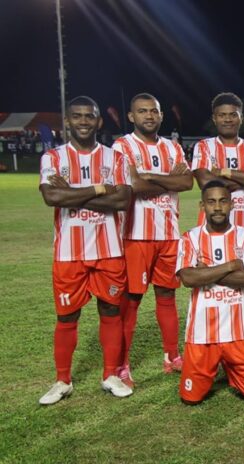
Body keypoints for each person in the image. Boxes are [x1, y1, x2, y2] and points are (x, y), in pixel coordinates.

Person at [38, 96, 133, 405]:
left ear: (98, 121)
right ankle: (62, 380)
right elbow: (52, 198)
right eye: (77, 116)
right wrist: (98, 189)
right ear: (67, 121)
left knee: (110, 311)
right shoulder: (52, 157)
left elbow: (121, 201)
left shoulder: (114, 158)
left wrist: (71, 193)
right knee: (67, 317)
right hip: (68, 254)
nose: (83, 121)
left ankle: (110, 375)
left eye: (89, 116)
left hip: (108, 251)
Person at [111, 93, 193, 387]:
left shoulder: (172, 147)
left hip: (169, 235)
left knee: (167, 296)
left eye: (154, 111)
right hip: (136, 235)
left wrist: (148, 176)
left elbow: (186, 182)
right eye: (142, 111)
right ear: (131, 116)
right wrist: (163, 178)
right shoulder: (122, 146)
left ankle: (172, 356)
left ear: (161, 115)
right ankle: (122, 364)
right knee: (131, 300)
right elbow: (132, 184)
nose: (149, 116)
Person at [176, 181, 244, 404]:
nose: (217, 207)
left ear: (232, 204)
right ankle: (222, 366)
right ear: (202, 206)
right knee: (190, 399)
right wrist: (229, 266)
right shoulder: (189, 238)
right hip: (202, 334)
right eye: (211, 202)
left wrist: (206, 272)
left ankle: (231, 367)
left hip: (242, 333)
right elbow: (188, 278)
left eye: (223, 201)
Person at [191, 92, 244, 229]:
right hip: (210, 228)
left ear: (241, 118)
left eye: (233, 115)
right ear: (214, 118)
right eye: (222, 115)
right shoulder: (204, 146)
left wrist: (222, 172)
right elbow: (205, 182)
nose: (228, 119)